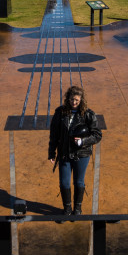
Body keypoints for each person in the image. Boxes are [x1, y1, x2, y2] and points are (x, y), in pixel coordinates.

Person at [48, 86, 102, 216]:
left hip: (81, 155)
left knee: (79, 181)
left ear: (81, 100)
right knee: (64, 182)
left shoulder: (88, 114)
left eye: (77, 100)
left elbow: (97, 134)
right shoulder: (60, 113)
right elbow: (54, 134)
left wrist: (83, 141)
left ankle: (77, 209)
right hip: (65, 154)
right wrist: (51, 152)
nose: (74, 102)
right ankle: (67, 209)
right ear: (68, 99)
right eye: (72, 99)